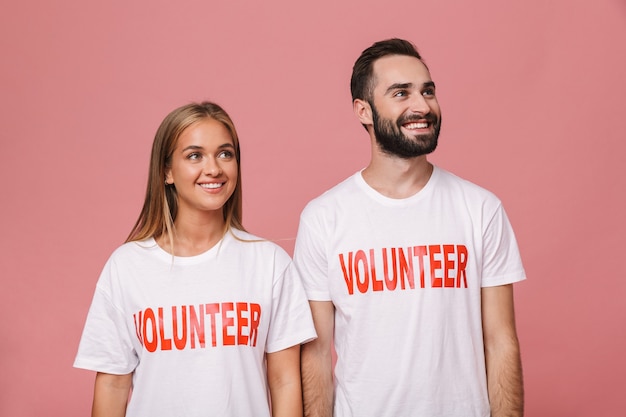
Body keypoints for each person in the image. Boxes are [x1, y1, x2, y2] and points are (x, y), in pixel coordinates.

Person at [294, 38, 526, 417]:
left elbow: (501, 342)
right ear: (363, 111)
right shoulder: (323, 217)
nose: (422, 106)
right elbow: (316, 353)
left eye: (428, 91)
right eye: (401, 93)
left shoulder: (480, 209)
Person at [74, 101, 317, 417]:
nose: (214, 168)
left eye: (225, 154)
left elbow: (284, 382)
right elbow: (113, 385)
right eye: (194, 155)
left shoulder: (269, 263)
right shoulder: (126, 267)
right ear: (167, 172)